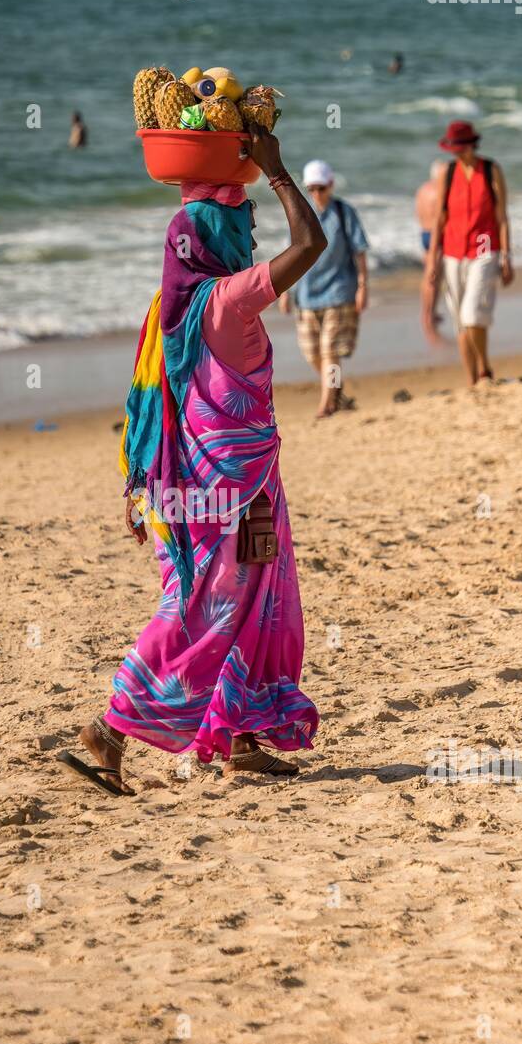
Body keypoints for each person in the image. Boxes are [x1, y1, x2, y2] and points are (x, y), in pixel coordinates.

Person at [58, 125, 325, 795]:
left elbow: (148, 402)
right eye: (242, 226)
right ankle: (109, 731)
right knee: (204, 610)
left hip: (198, 485)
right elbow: (312, 245)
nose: (253, 236)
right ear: (213, 241)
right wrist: (278, 170)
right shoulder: (229, 299)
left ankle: (240, 738)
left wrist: (135, 484)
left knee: (254, 603)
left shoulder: (167, 310)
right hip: (223, 493)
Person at [423, 120, 514, 387]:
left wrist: (507, 257)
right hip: (452, 252)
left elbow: (503, 218)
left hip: (485, 249)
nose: (456, 152)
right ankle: (473, 378)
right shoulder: (447, 173)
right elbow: (439, 217)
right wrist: (432, 260)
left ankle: (484, 365)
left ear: (472, 145)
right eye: (453, 147)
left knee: (472, 314)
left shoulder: (491, 170)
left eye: (460, 147)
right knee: (460, 322)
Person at [278, 159, 369, 417]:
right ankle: (336, 392)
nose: (317, 193)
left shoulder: (344, 212)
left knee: (330, 350)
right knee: (312, 353)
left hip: (339, 291)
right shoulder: (301, 215)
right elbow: (290, 254)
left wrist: (363, 287)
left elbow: (360, 252)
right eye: (312, 188)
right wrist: (285, 292)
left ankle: (326, 405)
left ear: (330, 185)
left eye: (321, 187)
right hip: (306, 296)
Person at [415, 160, 448, 344]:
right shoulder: (439, 192)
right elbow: (443, 219)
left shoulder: (422, 190)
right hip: (436, 236)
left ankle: (430, 312)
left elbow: (417, 213)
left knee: (431, 276)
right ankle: (427, 314)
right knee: (433, 277)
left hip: (424, 233)